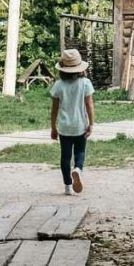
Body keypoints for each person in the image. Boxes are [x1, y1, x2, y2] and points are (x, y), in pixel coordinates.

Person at [50, 49, 95, 195]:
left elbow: (54, 109)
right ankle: (77, 169)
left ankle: (68, 186)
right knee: (80, 151)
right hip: (80, 125)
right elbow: (89, 105)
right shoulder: (85, 83)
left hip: (64, 127)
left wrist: (53, 127)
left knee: (65, 156)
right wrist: (91, 123)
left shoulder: (58, 85)